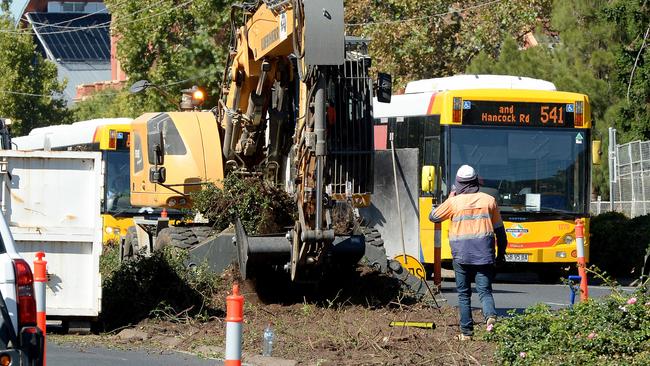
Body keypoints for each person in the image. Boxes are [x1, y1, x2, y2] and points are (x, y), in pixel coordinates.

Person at [429, 165, 508, 340]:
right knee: (485, 291)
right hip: (484, 255)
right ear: (475, 181)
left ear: (459, 184)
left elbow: (433, 216)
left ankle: (467, 333)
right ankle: (490, 316)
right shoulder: (489, 200)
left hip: (461, 256)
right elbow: (500, 232)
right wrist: (501, 254)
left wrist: (449, 198)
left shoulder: (453, 202)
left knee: (464, 295)